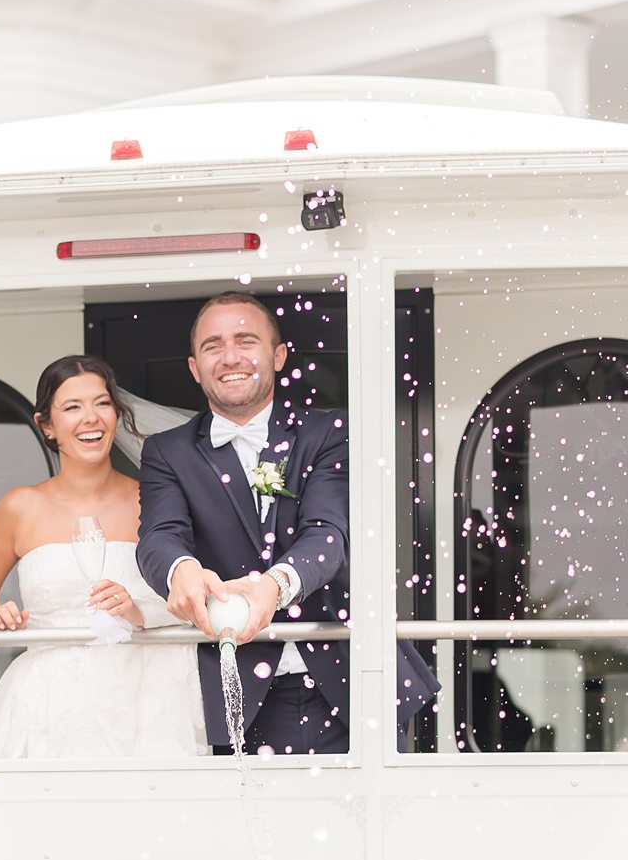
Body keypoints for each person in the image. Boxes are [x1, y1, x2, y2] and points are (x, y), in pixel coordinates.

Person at [136, 293, 436, 754]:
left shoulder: (330, 432)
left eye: (246, 340)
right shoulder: (166, 452)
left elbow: (328, 533)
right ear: (195, 367)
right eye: (213, 346)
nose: (230, 356)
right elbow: (160, 536)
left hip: (351, 679)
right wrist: (182, 571)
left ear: (277, 356)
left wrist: (273, 586)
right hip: (238, 690)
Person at [0, 356, 207, 761]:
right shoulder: (19, 507)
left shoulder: (154, 499)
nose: (90, 419)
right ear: (47, 424)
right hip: (48, 704)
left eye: (101, 403)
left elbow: (194, 593)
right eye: (72, 407)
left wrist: (139, 610)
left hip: (147, 698)